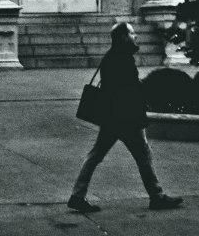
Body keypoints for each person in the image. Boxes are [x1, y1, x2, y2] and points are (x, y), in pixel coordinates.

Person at [68, 21, 182, 214]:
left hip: (113, 117)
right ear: (122, 37)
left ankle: (77, 195)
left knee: (97, 155)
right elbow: (128, 90)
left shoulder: (113, 56)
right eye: (131, 33)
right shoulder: (122, 58)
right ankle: (156, 196)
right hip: (126, 118)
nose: (135, 36)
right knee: (143, 155)